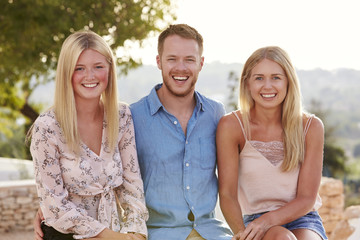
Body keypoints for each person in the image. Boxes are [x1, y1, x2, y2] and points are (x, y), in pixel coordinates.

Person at [29, 30, 148, 240]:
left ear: (110, 70)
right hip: (66, 236)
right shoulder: (47, 127)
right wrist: (113, 237)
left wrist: (136, 233)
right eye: (79, 68)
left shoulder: (121, 116)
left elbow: (132, 185)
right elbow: (53, 204)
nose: (90, 76)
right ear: (66, 73)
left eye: (98, 67)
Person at [130, 24, 232, 239]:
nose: (181, 68)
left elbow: (236, 179)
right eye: (172, 59)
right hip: (157, 234)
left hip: (212, 232)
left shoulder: (216, 113)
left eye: (189, 59)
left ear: (201, 63)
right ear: (159, 61)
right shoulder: (133, 117)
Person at [216, 46, 328, 240]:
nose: (267, 86)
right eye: (259, 78)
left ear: (288, 82)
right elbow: (227, 194)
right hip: (254, 221)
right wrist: (242, 234)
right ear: (247, 84)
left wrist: (269, 220)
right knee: (280, 237)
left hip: (303, 219)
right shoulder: (232, 126)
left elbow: (307, 198)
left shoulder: (311, 127)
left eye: (276, 77)